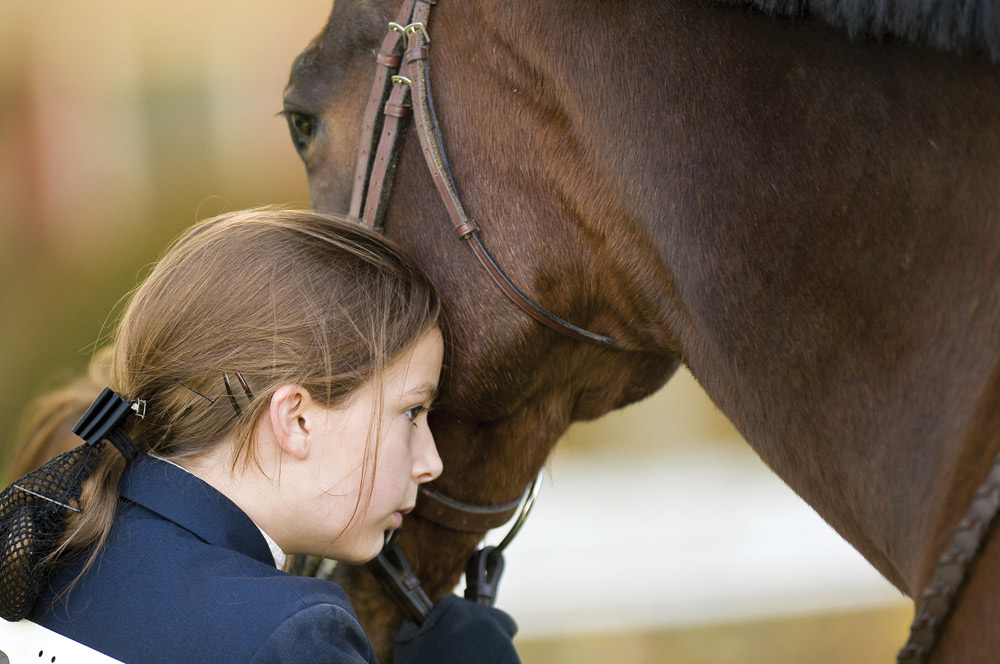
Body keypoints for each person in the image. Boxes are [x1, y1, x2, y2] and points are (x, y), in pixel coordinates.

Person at [0, 208, 520, 663]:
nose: (430, 463)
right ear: (296, 419)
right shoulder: (291, 635)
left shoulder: (38, 555)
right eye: (412, 411)